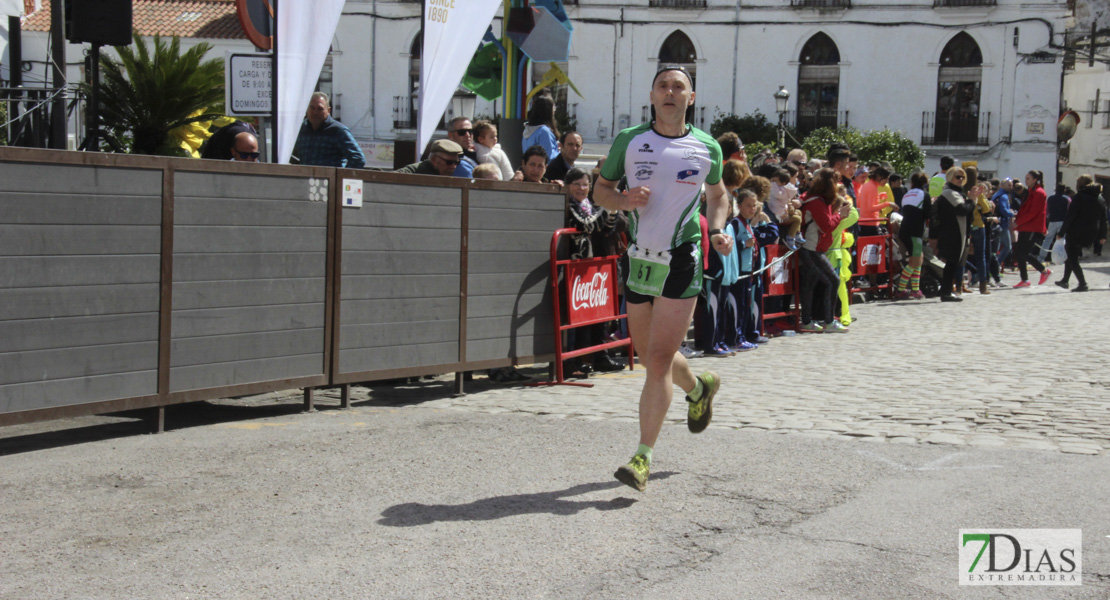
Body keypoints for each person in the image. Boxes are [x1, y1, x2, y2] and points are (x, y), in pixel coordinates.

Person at [593, 65, 733, 493]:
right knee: (649, 350)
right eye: (663, 86)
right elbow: (600, 191)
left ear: (691, 98)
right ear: (652, 96)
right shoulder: (629, 141)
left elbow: (718, 194)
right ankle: (698, 387)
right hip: (638, 256)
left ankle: (642, 456)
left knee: (656, 360)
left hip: (683, 257)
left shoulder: (707, 146)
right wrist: (622, 200)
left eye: (679, 87)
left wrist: (716, 229)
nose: (670, 92)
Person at [563, 167, 627, 374]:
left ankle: (597, 356)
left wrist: (612, 207)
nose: (581, 188)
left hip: (592, 268)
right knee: (576, 319)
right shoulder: (567, 204)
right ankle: (574, 360)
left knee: (595, 315)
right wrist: (608, 205)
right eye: (576, 184)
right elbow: (587, 225)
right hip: (573, 268)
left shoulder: (591, 205)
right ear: (567, 185)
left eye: (585, 184)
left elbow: (609, 227)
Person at [797, 167, 850, 332]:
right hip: (811, 248)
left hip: (813, 247)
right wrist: (840, 215)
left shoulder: (815, 199)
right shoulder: (817, 202)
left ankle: (808, 321)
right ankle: (828, 321)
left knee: (810, 283)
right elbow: (827, 226)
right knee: (832, 280)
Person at [1055, 174, 1108, 292]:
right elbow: (1103, 218)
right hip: (1092, 231)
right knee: (1071, 253)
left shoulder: (1079, 197)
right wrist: (1102, 234)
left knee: (1072, 256)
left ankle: (1082, 283)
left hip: (1077, 230)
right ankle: (1065, 280)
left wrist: (1061, 232)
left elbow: (1070, 216)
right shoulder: (1100, 198)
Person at [930, 167, 975, 302]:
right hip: (951, 233)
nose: (960, 179)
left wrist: (972, 201)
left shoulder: (958, 193)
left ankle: (947, 291)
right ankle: (946, 292)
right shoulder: (949, 193)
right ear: (950, 178)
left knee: (953, 264)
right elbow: (962, 210)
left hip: (957, 232)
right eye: (957, 177)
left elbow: (969, 214)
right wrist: (972, 201)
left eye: (962, 177)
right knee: (951, 264)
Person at [292, 92, 366, 168]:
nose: (315, 112)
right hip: (305, 179)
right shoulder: (301, 129)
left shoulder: (338, 131)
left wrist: (340, 177)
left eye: (320, 109)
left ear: (328, 111)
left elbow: (358, 159)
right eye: (312, 108)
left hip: (329, 179)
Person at [1012, 170, 1052, 288]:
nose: (1026, 180)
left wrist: (1018, 222)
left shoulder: (1039, 193)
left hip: (1032, 227)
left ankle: (1044, 271)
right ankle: (1025, 279)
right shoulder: (1032, 191)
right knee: (1020, 252)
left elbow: (1033, 212)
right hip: (1026, 226)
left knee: (1023, 252)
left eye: (1028, 178)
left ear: (1035, 179)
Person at [894, 172, 931, 299]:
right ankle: (900, 289)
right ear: (925, 183)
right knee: (915, 262)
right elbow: (927, 214)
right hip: (915, 232)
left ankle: (916, 290)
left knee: (918, 260)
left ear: (912, 183)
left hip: (904, 229)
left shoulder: (906, 194)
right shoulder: (924, 195)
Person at [1039, 184, 1070, 263]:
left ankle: (1041, 257)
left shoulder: (1050, 198)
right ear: (1064, 190)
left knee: (1047, 239)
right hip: (1063, 221)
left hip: (1052, 221)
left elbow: (1047, 210)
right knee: (1062, 240)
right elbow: (1069, 210)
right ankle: (1061, 257)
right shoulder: (1067, 199)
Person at [395, 139, 463, 176]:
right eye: (449, 162)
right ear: (434, 160)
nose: (453, 166)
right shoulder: (417, 171)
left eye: (457, 162)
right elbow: (390, 177)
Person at [522, 95, 559, 161]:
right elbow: (549, 157)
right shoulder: (544, 132)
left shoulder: (527, 129)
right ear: (548, 111)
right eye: (553, 109)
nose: (554, 112)